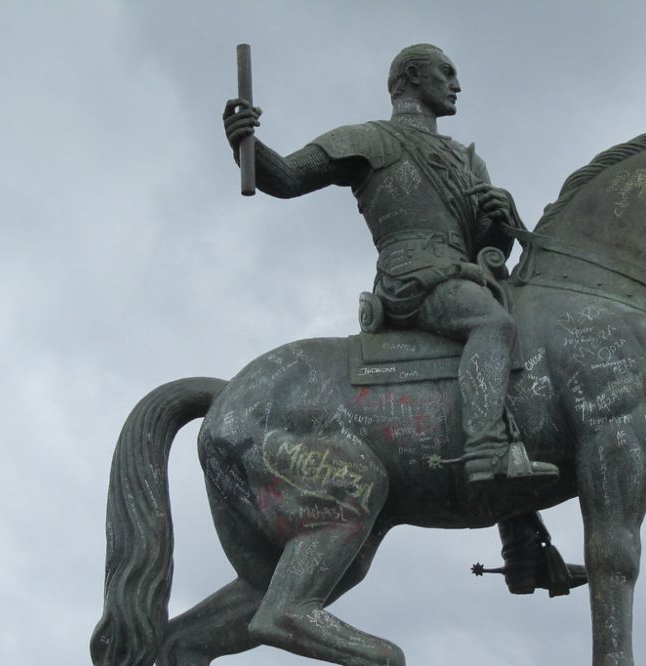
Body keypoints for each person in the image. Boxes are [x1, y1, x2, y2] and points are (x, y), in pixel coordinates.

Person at [224, 43, 558, 489]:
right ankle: (485, 451)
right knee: (493, 325)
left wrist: (501, 220)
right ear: (414, 76)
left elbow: (486, 248)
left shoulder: (468, 160)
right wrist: (244, 140)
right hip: (412, 276)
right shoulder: (368, 140)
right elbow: (287, 177)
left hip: (463, 275)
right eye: (447, 73)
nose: (457, 85)